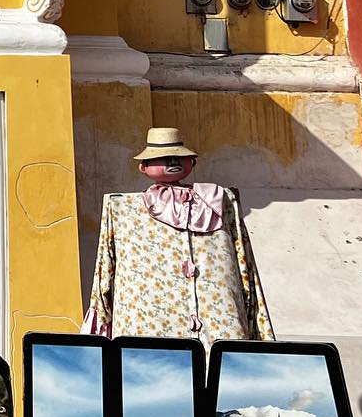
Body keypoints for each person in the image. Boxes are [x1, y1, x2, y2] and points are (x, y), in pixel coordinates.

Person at [81, 126, 274, 344]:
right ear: (143, 167)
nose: (173, 162)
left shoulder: (217, 200)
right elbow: (104, 270)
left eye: (179, 157)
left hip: (215, 324)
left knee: (220, 363)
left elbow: (244, 260)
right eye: (164, 158)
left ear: (193, 162)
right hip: (151, 327)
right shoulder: (124, 208)